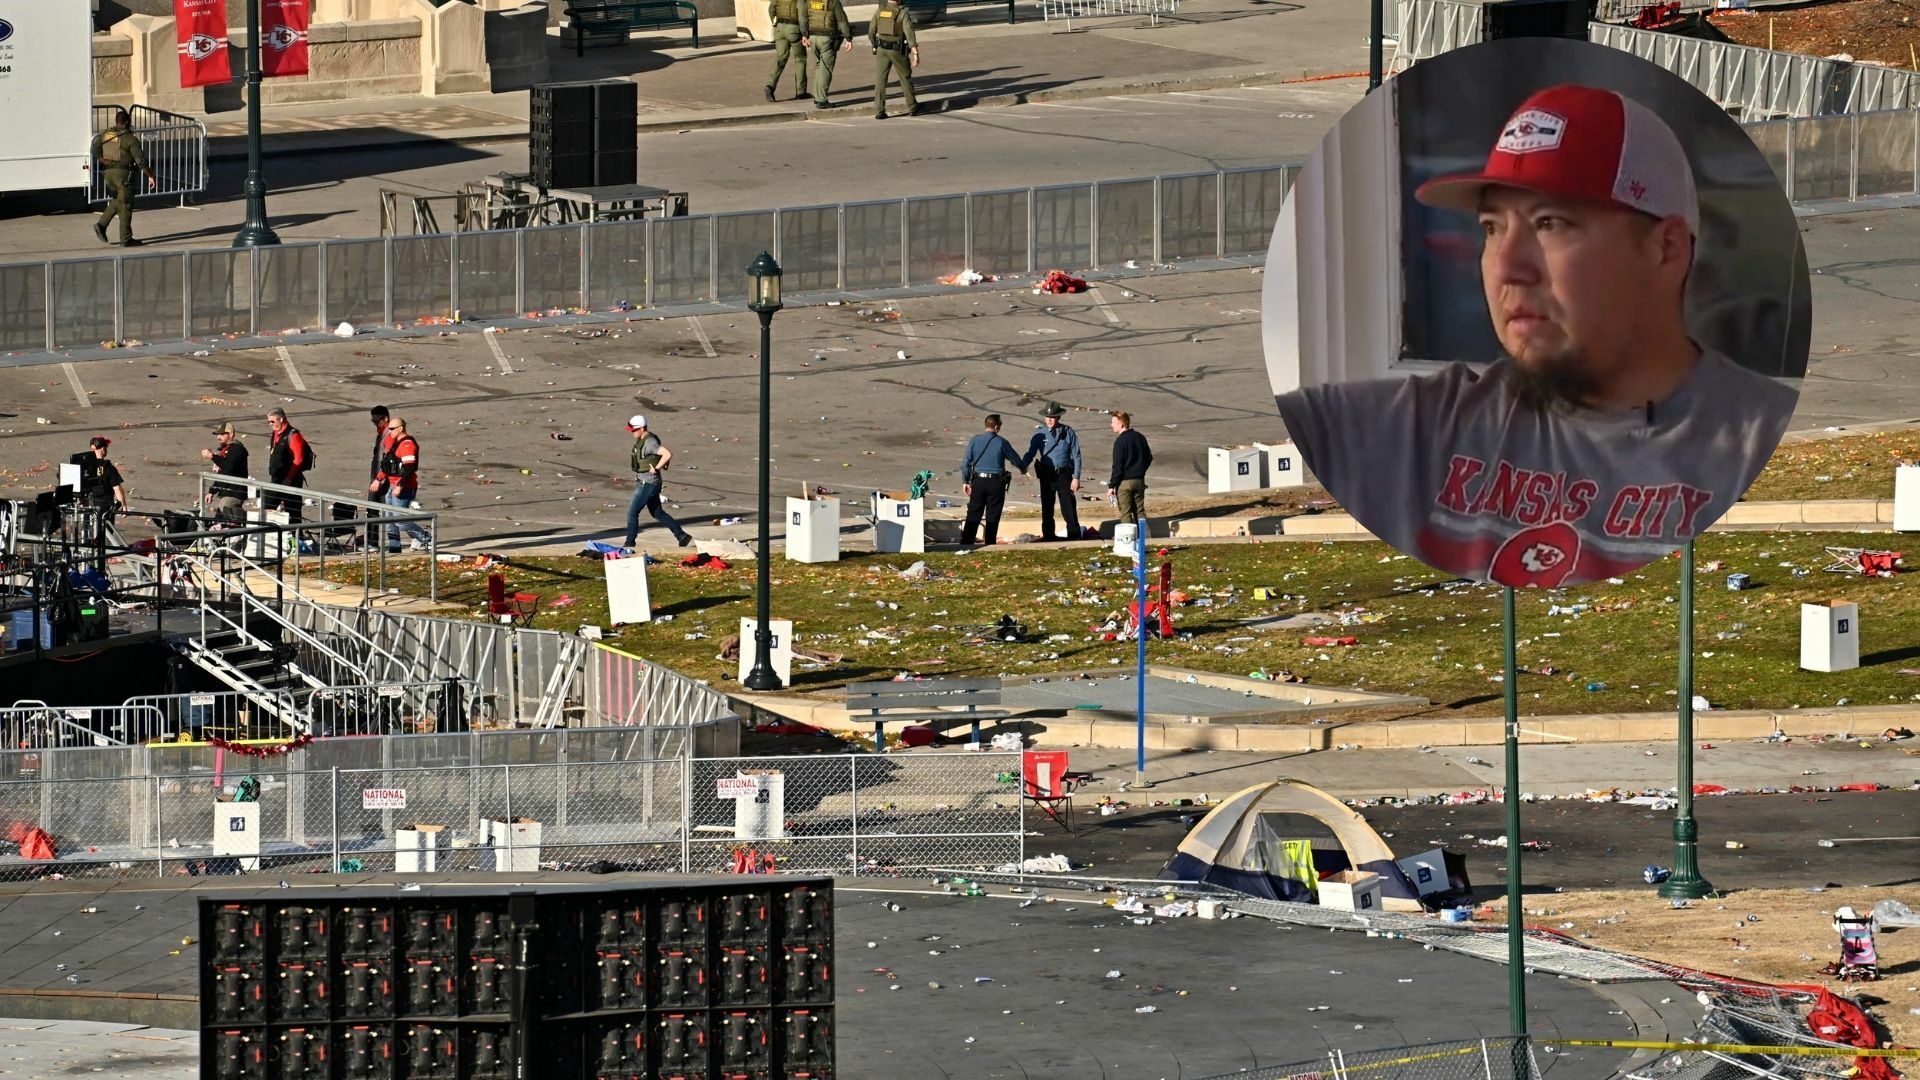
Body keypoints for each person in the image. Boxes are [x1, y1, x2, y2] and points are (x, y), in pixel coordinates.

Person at [1274, 83, 1799, 589]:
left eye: (1550, 223)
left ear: (1666, 250)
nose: (1507, 268)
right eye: (1491, 228)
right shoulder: (1411, 431)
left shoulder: (1759, 444)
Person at [89, 110, 158, 248]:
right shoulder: (130, 139)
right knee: (126, 205)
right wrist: (151, 175)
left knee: (118, 200)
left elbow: (94, 149)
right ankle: (126, 239)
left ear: (116, 121)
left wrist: (104, 161)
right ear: (126, 122)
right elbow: (141, 162)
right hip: (124, 175)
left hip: (108, 174)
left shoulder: (106, 134)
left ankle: (101, 225)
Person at [623, 415, 693, 549]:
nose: (632, 432)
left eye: (634, 430)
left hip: (648, 483)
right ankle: (681, 536)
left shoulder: (650, 442)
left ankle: (630, 543)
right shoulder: (642, 439)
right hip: (648, 482)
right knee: (657, 513)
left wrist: (656, 468)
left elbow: (667, 454)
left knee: (632, 512)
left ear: (642, 428)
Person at [958, 414, 1025, 547]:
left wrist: (965, 481)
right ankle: (989, 544)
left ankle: (966, 544)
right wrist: (1023, 468)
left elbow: (966, 463)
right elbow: (1015, 460)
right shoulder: (1001, 442)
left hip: (978, 482)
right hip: (996, 483)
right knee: (993, 515)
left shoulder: (974, 441)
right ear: (996, 427)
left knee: (974, 513)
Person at [1022, 401, 1082, 542]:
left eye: (1053, 417)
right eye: (1047, 417)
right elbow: (1031, 453)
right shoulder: (1039, 435)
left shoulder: (1068, 432)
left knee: (1068, 506)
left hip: (1064, 474)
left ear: (1059, 417)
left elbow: (1077, 456)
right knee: (1047, 507)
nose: (1049, 420)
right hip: (1047, 475)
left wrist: (1076, 477)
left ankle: (1074, 536)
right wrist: (1022, 464)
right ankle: (1048, 536)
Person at [371, 416, 431, 553]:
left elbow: (410, 468)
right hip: (392, 486)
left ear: (400, 428)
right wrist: (378, 479)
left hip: (404, 487)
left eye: (392, 429)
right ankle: (394, 548)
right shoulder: (393, 442)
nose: (389, 431)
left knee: (400, 520)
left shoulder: (407, 444)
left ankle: (425, 538)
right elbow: (387, 465)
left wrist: (400, 485)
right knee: (390, 520)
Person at [869, 0, 921, 120]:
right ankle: (912, 107)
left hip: (881, 49)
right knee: (905, 77)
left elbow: (871, 30)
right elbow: (909, 33)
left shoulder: (880, 11)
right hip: (897, 50)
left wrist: (874, 45)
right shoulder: (903, 13)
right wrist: (915, 52)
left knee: (880, 80)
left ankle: (879, 110)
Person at [801, 0, 853, 110]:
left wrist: (804, 34)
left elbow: (803, 17)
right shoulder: (833, 2)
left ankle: (817, 95)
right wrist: (848, 38)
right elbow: (842, 21)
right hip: (827, 39)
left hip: (813, 38)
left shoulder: (810, 1)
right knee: (825, 69)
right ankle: (821, 100)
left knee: (819, 66)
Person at [264, 407, 312, 525]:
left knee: (293, 511)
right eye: (268, 422)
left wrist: (289, 478)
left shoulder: (293, 435)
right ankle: (271, 534)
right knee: (267, 507)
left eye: (272, 421)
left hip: (291, 480)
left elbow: (298, 459)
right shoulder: (275, 433)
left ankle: (297, 537)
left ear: (281, 419)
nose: (270, 424)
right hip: (277, 479)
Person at [1108, 410, 1151, 526]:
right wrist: (1140, 470)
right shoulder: (1140, 437)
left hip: (1124, 482)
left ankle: (1129, 539)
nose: (1111, 425)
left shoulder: (1120, 442)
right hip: (1139, 480)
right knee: (1140, 511)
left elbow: (1118, 467)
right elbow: (1149, 457)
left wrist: (1111, 486)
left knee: (1126, 513)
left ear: (1121, 424)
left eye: (1113, 422)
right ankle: (1144, 538)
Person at [201, 422, 250, 524]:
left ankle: (248, 523)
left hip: (234, 493)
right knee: (220, 522)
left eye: (222, 434)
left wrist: (212, 456)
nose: (218, 437)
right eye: (217, 434)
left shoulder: (237, 449)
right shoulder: (226, 450)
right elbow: (223, 474)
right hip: (227, 492)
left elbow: (228, 467)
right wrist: (212, 491)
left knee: (224, 518)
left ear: (230, 434)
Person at [765, 0, 809, 101]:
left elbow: (771, 9)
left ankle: (770, 85)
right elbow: (802, 15)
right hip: (794, 29)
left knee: (780, 58)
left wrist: (774, 23)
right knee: (800, 59)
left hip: (780, 28)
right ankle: (801, 92)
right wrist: (805, 33)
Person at [74, 437, 126, 519]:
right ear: (103, 448)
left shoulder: (83, 466)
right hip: (105, 508)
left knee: (87, 530)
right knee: (106, 531)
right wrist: (123, 505)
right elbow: (117, 488)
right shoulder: (108, 467)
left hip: (87, 507)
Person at [367, 405, 395, 547]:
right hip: (376, 478)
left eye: (377, 421)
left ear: (386, 419)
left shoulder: (389, 435)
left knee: (391, 513)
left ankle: (396, 543)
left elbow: (386, 460)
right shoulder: (381, 432)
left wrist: (379, 479)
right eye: (373, 421)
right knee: (371, 509)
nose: (375, 424)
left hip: (384, 479)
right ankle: (372, 542)